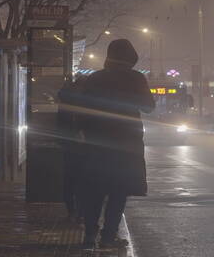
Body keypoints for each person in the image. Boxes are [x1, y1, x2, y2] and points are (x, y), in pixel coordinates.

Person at [78, 39, 155, 248]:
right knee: (118, 192)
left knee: (94, 191)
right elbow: (148, 106)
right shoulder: (136, 78)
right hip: (126, 145)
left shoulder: (95, 78)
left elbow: (83, 110)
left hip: (97, 144)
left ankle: (89, 234)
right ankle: (108, 236)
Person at [58, 75, 88, 221]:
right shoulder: (88, 97)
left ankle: (71, 211)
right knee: (85, 180)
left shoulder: (66, 97)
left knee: (69, 179)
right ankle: (81, 212)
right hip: (86, 146)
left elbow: (60, 123)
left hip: (68, 144)